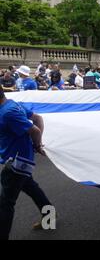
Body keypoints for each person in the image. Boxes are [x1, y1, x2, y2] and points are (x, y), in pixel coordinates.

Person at [0, 85, 53, 240]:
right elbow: (37, 118)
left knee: (5, 204)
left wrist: (37, 145)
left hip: (17, 163)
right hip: (20, 159)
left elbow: (35, 129)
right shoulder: (12, 104)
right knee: (32, 189)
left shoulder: (8, 113)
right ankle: (50, 218)